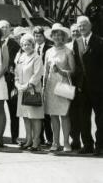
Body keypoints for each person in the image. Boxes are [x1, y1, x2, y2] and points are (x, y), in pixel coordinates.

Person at [72, 15, 103, 156]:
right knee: (83, 117)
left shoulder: (99, 42)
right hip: (82, 87)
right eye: (79, 25)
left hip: (98, 87)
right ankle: (87, 145)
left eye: (84, 25)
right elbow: (77, 65)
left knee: (100, 117)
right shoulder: (76, 42)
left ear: (90, 26)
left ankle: (100, 146)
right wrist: (78, 83)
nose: (81, 27)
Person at [43, 23, 75, 153]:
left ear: (64, 36)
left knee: (65, 115)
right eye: (55, 34)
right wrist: (44, 87)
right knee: (53, 115)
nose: (58, 36)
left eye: (60, 34)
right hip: (51, 86)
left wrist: (61, 71)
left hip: (63, 85)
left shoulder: (68, 51)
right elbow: (45, 71)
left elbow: (73, 70)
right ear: (52, 36)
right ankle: (55, 142)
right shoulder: (48, 51)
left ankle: (66, 142)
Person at [15, 34, 44, 151]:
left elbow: (37, 74)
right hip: (22, 91)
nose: (26, 46)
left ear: (33, 45)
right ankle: (28, 140)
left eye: (28, 44)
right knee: (26, 117)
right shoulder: (21, 57)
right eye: (23, 44)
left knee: (35, 117)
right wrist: (17, 85)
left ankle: (36, 141)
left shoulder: (37, 57)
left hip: (32, 91)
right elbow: (16, 74)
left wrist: (27, 85)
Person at [0, 19, 20, 144]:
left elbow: (14, 63)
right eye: (1, 27)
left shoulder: (14, 44)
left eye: (6, 27)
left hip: (10, 83)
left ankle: (15, 136)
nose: (3, 29)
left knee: (13, 112)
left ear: (10, 29)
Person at [33, 25, 53, 145]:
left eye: (40, 36)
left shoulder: (49, 48)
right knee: (36, 111)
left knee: (46, 113)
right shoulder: (31, 47)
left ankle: (50, 138)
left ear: (44, 36)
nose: (38, 38)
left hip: (45, 81)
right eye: (36, 36)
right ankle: (38, 137)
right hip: (35, 82)